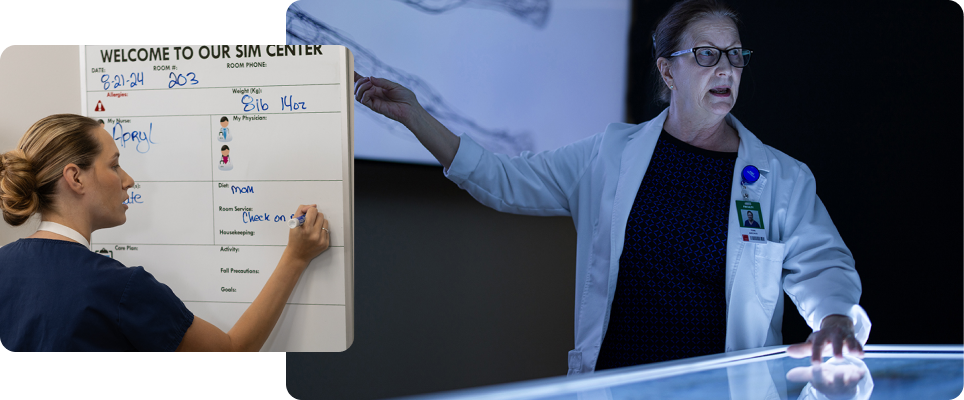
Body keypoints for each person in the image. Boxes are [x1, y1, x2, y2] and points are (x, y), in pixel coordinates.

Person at [353, 0, 870, 374]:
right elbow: (504, 180)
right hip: (622, 386)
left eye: (735, 57)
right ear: (668, 70)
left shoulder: (781, 177)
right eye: (707, 55)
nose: (727, 70)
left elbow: (824, 267)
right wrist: (414, 117)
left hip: (723, 392)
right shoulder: (610, 154)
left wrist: (834, 318)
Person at [0, 114, 330, 351]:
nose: (128, 180)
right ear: (76, 178)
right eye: (114, 165)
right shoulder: (120, 289)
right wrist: (296, 257)